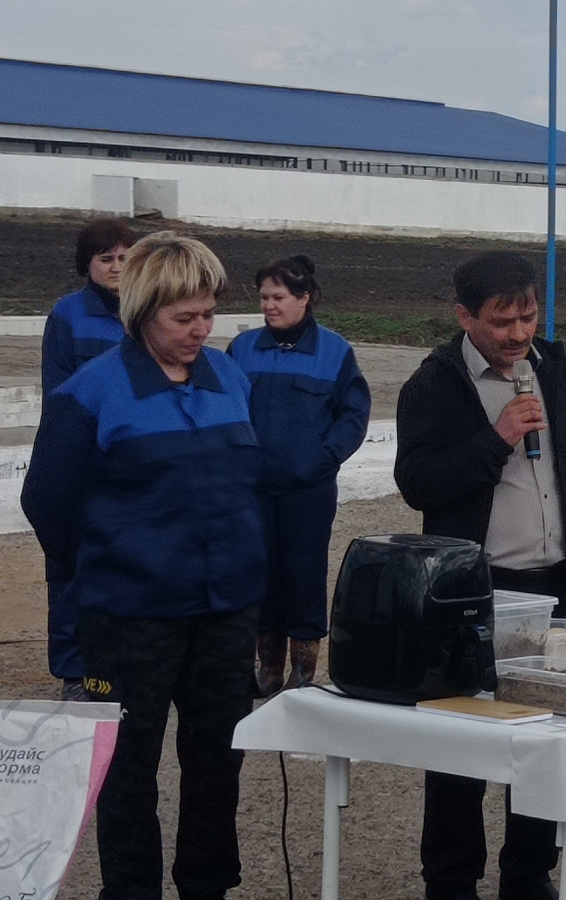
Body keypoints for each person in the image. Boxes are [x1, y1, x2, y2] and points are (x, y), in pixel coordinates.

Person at [22, 231, 265, 900]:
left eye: (208, 315)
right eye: (184, 318)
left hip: (223, 613)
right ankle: (130, 890)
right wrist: (103, 569)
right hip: (129, 619)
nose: (201, 330)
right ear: (142, 311)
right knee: (127, 768)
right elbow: (47, 501)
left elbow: (250, 486)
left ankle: (207, 886)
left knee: (217, 760)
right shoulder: (91, 392)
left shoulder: (230, 379)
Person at [394, 250, 566, 900]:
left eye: (528, 317)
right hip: (472, 590)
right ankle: (451, 880)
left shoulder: (557, 369)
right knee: (461, 741)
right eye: (502, 321)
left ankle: (528, 874)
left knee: (542, 736)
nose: (518, 334)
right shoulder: (435, 384)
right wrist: (496, 438)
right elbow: (418, 482)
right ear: (465, 316)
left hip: (554, 587)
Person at [227, 255, 371, 695]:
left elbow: (353, 415)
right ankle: (268, 669)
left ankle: (303, 672)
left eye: (278, 297)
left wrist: (321, 459)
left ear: (304, 298)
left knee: (303, 576)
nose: (268, 306)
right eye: (263, 298)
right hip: (253, 488)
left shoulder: (335, 352)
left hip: (307, 490)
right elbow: (224, 406)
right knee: (260, 574)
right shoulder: (242, 349)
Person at [37, 216, 138, 701]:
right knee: (71, 570)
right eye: (105, 258)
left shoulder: (145, 311)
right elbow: (59, 395)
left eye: (124, 257)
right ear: (87, 264)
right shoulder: (67, 316)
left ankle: (123, 663)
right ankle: (74, 672)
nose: (116, 266)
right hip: (82, 464)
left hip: (131, 463)